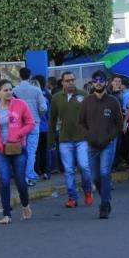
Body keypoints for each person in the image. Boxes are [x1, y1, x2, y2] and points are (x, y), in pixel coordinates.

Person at [0, 79, 34, 224]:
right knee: (4, 180)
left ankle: (25, 205)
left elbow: (30, 123)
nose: (9, 92)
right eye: (5, 90)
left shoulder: (21, 104)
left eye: (10, 89)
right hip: (1, 150)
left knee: (20, 181)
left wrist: (19, 134)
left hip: (18, 148)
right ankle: (7, 214)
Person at [79, 70, 122, 219]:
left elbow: (119, 124)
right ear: (92, 82)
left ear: (105, 82)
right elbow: (81, 123)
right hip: (92, 145)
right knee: (95, 177)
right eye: (95, 80)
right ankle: (106, 198)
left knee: (104, 174)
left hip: (107, 144)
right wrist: (88, 136)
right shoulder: (86, 101)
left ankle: (104, 205)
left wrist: (109, 138)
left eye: (101, 80)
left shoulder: (113, 101)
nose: (98, 82)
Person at [48, 71, 92, 208]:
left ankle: (88, 191)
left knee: (84, 167)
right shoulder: (56, 98)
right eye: (67, 80)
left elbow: (91, 117)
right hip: (64, 139)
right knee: (68, 170)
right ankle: (72, 197)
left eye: (72, 80)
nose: (71, 82)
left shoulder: (84, 95)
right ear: (62, 82)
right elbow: (52, 120)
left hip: (82, 139)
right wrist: (50, 141)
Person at [13, 67, 48, 187]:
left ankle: (21, 176)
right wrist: (38, 114)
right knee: (31, 151)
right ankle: (29, 175)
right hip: (34, 123)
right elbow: (43, 108)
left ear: (19, 76)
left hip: (19, 125)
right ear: (30, 76)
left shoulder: (15, 90)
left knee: (21, 151)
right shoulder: (36, 90)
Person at [33, 74, 51, 180]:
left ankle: (36, 172)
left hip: (34, 128)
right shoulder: (47, 95)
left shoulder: (32, 96)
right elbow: (50, 113)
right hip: (45, 128)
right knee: (45, 151)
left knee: (35, 152)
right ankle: (46, 172)